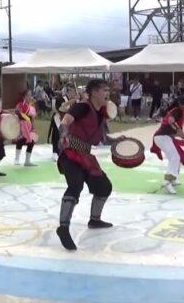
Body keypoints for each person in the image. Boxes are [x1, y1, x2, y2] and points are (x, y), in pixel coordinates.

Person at [55, 79, 125, 251]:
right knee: (75, 186)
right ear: (94, 92)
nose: (107, 93)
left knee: (104, 187)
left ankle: (94, 220)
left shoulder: (101, 113)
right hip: (71, 152)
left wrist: (117, 141)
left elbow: (103, 139)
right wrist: (63, 137)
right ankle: (63, 228)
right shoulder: (83, 106)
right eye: (104, 90)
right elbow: (65, 122)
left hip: (85, 155)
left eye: (108, 89)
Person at [151, 94, 184, 194]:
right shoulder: (178, 110)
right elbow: (171, 121)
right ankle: (167, 181)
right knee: (174, 158)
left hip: (165, 137)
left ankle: (173, 179)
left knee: (177, 157)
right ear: (182, 104)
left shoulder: (179, 112)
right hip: (162, 137)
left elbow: (177, 131)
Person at [13, 90, 37, 166]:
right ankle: (16, 159)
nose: (30, 97)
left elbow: (32, 119)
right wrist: (21, 113)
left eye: (30, 95)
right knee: (20, 141)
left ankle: (27, 161)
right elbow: (18, 113)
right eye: (28, 95)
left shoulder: (32, 107)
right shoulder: (20, 105)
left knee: (31, 142)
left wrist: (33, 128)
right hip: (22, 125)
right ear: (24, 97)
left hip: (29, 126)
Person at [48, 97, 68, 161]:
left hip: (62, 118)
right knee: (56, 134)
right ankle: (54, 152)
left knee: (63, 135)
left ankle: (61, 151)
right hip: (57, 117)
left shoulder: (66, 102)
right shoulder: (56, 109)